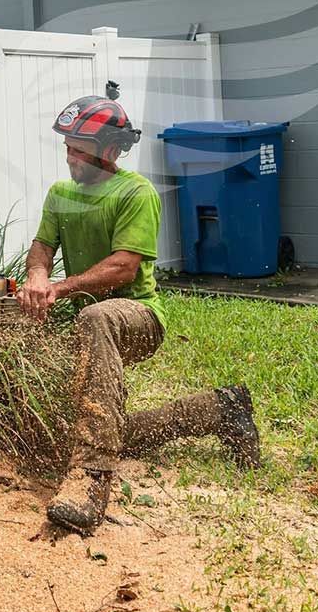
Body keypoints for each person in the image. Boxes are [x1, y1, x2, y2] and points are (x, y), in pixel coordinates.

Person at [18, 95, 260, 535]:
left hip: (136, 316)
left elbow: (123, 268)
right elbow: (42, 247)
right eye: (68, 145)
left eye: (79, 146)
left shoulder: (136, 193)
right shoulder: (61, 193)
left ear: (109, 149)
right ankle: (220, 410)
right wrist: (37, 277)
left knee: (97, 319)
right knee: (96, 425)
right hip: (86, 317)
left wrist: (60, 286)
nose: (69, 154)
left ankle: (91, 483)